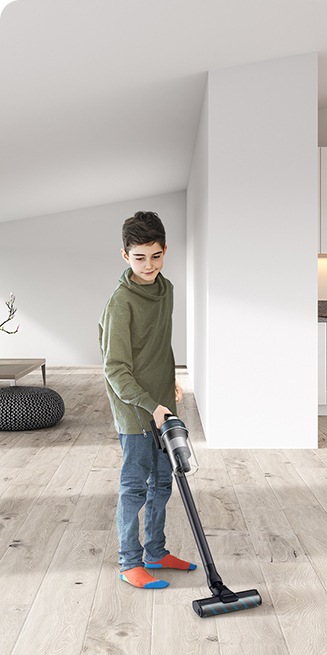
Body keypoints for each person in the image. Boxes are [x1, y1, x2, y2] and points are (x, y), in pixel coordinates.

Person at [99, 211, 196, 589]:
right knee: (135, 486)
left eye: (155, 256)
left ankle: (156, 550)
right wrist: (150, 406)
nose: (149, 265)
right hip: (135, 411)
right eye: (139, 257)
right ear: (125, 255)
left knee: (163, 482)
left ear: (164, 251)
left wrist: (169, 383)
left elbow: (161, 344)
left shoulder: (166, 289)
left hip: (160, 403)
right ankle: (129, 562)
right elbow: (115, 369)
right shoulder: (120, 303)